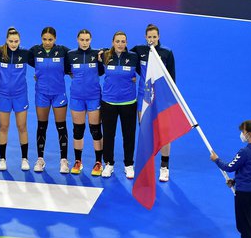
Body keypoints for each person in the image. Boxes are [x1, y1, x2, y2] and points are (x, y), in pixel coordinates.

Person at [131, 24, 176, 182]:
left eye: (154, 37)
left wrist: (169, 99)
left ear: (159, 37)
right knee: (145, 132)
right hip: (143, 97)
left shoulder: (167, 53)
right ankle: (147, 166)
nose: (151, 40)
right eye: (149, 37)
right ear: (145, 37)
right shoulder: (139, 50)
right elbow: (125, 58)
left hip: (161, 98)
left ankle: (164, 167)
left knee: (164, 133)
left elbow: (171, 78)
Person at [27, 27, 70, 173]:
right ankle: (40, 159)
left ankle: (64, 160)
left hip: (59, 94)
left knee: (61, 126)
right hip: (42, 94)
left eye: (50, 39)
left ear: (55, 39)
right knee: (42, 126)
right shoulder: (34, 51)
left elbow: (72, 64)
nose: (47, 42)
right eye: (44, 39)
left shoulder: (63, 51)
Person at [98, 31, 140, 178]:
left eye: (123, 41)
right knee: (109, 134)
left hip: (128, 102)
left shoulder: (134, 57)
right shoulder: (105, 56)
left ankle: (129, 164)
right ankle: (108, 164)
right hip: (108, 102)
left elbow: (144, 72)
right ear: (112, 42)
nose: (120, 44)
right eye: (117, 41)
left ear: (126, 43)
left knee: (128, 135)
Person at [0, 27, 31, 171]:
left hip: (20, 96)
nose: (14, 44)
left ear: (20, 41)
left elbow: (39, 64)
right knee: (4, 127)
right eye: (11, 41)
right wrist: (0, 75)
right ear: (6, 40)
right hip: (3, 96)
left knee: (22, 127)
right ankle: (2, 159)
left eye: (16, 41)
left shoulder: (25, 53)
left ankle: (24, 159)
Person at [65, 29, 103, 176]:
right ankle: (78, 161)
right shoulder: (70, 55)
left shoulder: (96, 54)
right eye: (82, 39)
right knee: (78, 129)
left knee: (95, 130)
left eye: (87, 40)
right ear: (77, 40)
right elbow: (67, 70)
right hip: (77, 97)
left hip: (94, 97)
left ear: (91, 40)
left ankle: (98, 162)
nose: (85, 42)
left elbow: (100, 72)